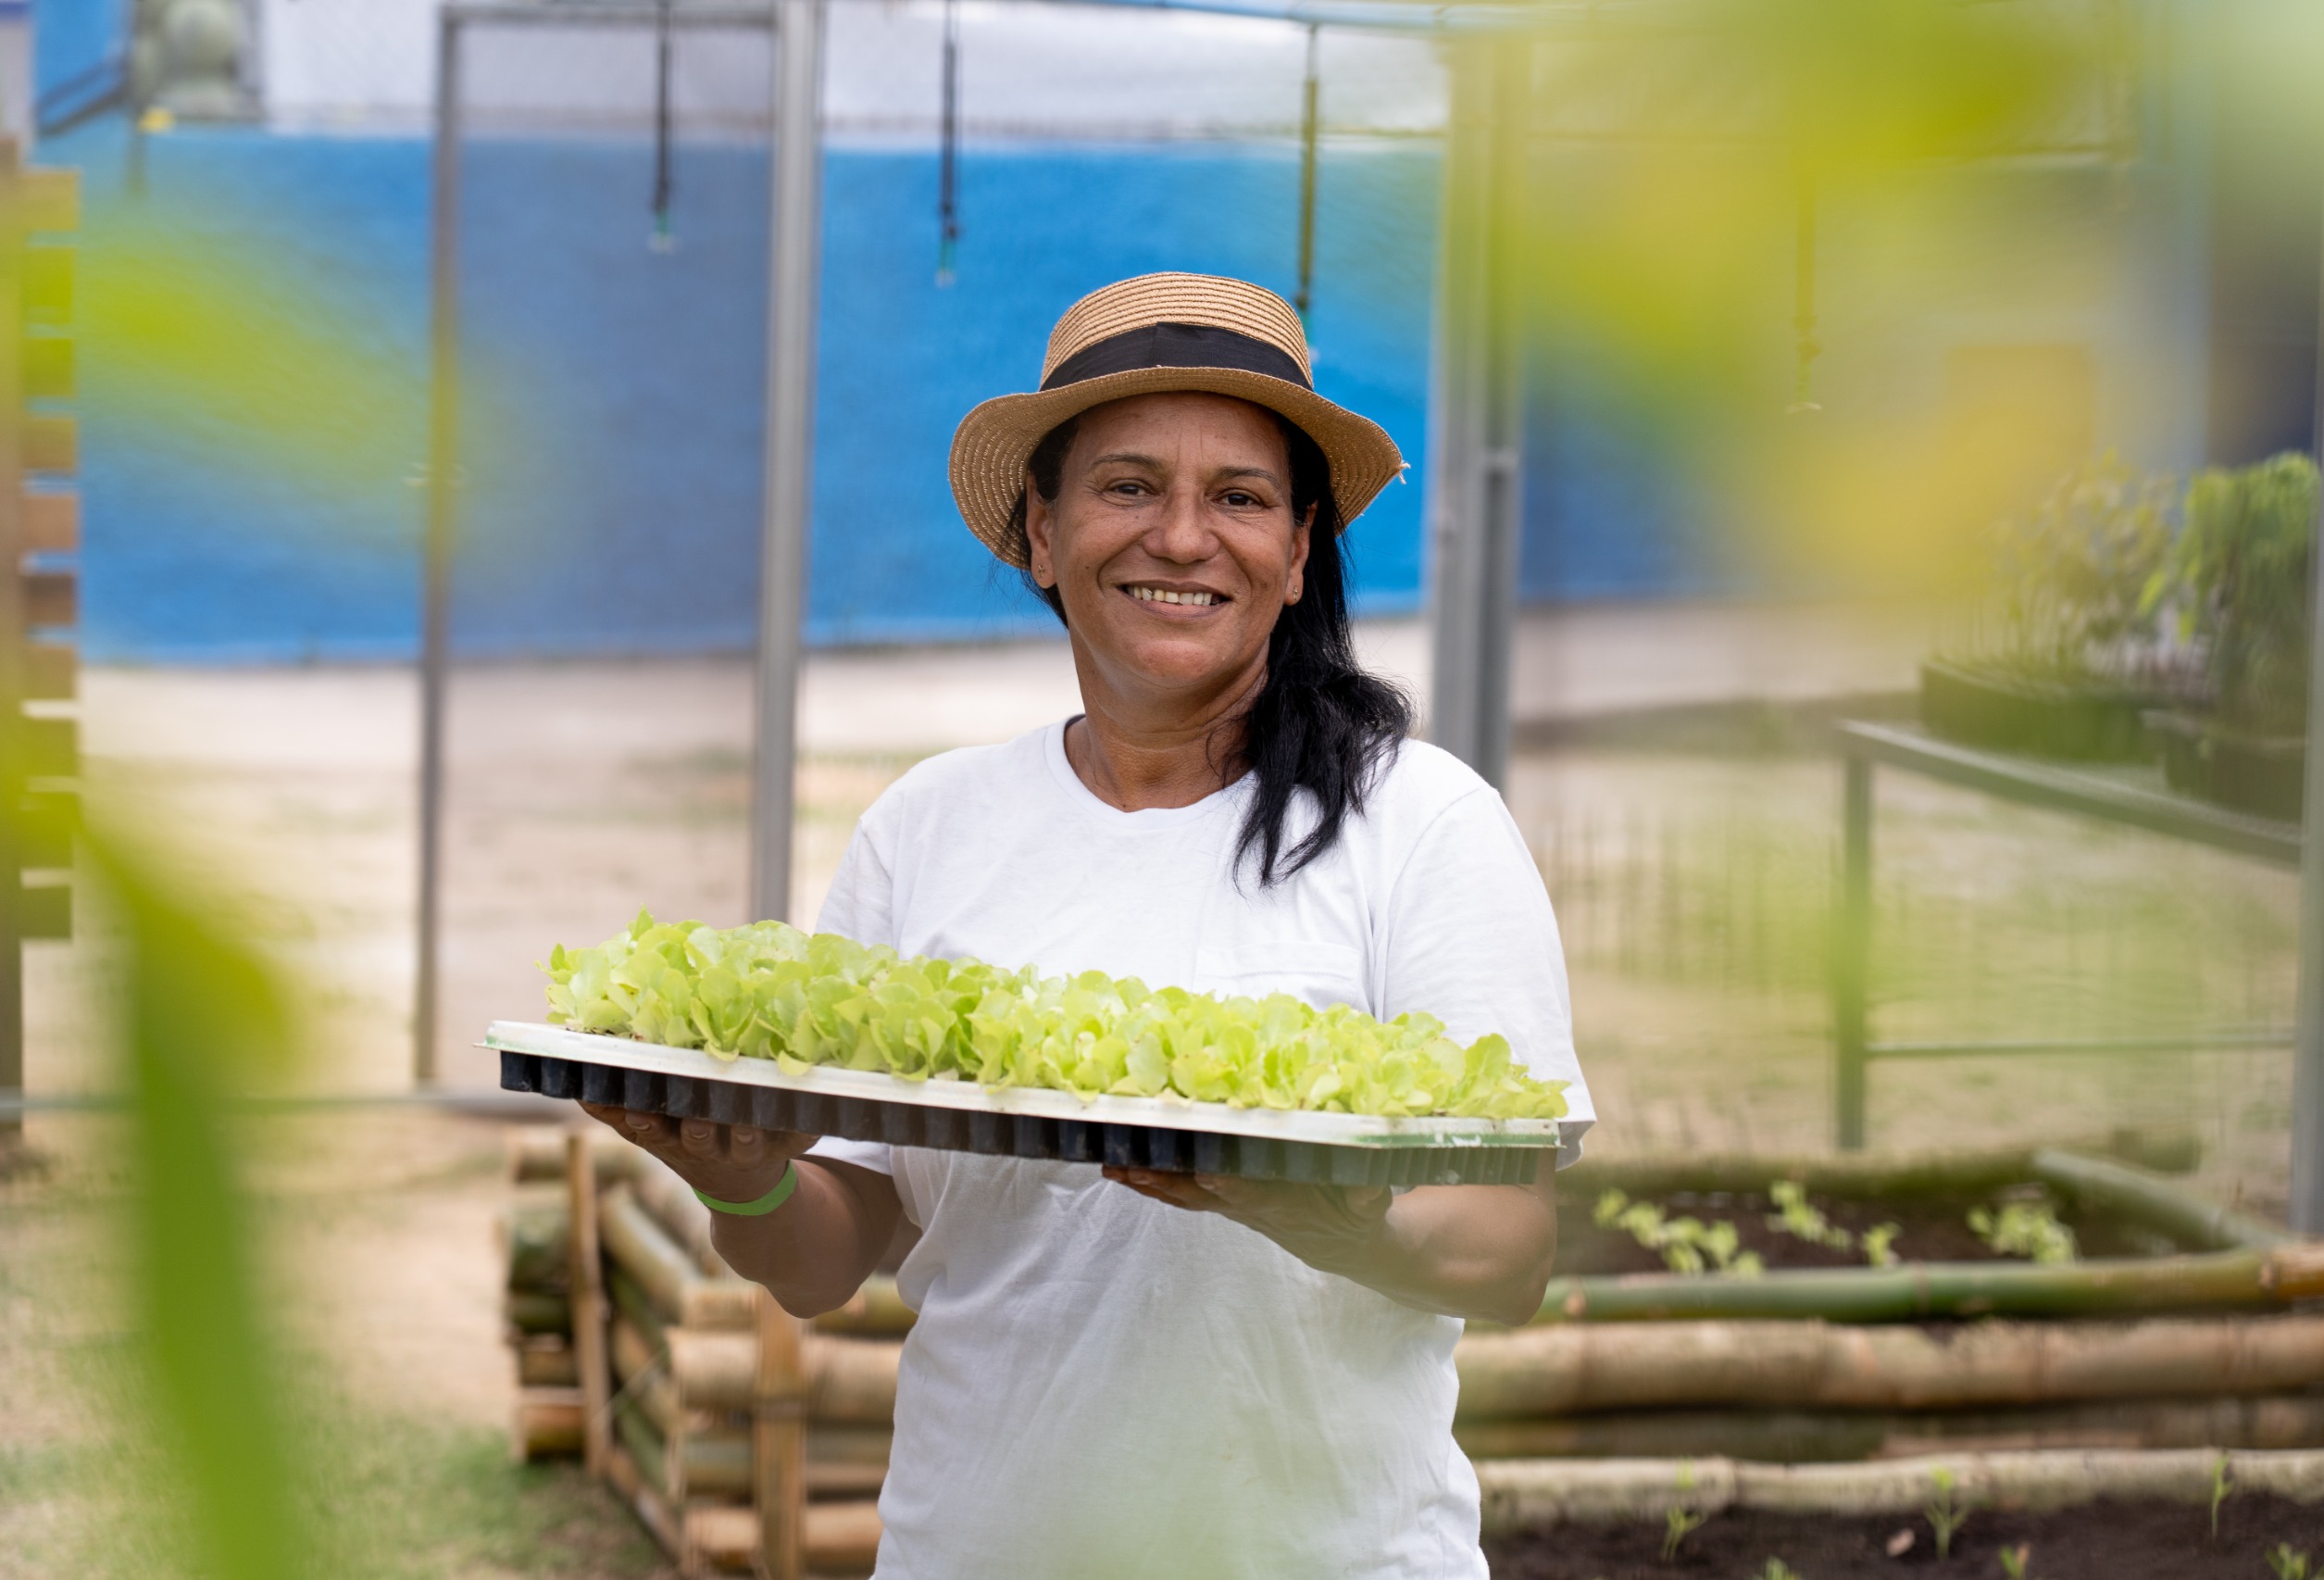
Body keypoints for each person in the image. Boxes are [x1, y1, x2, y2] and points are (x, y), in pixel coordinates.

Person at [584, 272, 1593, 1578]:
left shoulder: (1422, 826)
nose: (1182, 537)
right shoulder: (929, 825)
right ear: (1042, 537)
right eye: (1126, 486)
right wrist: (744, 1175)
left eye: (1238, 496)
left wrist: (1316, 1215)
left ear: (1298, 553)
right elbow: (836, 1246)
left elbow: (1505, 1250)